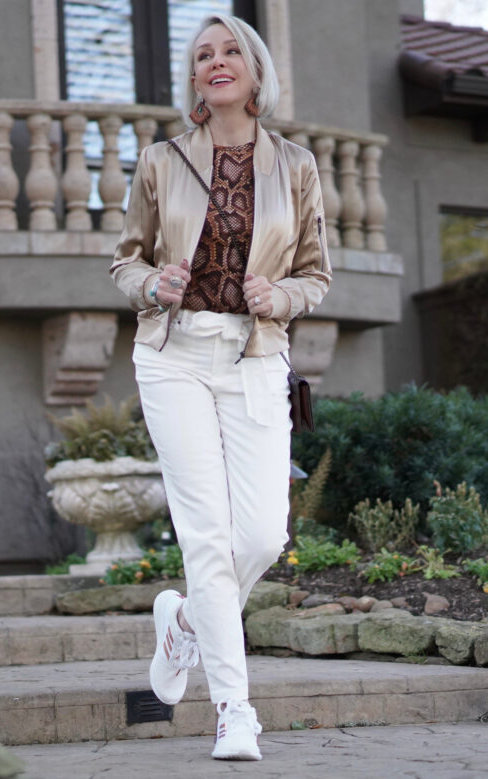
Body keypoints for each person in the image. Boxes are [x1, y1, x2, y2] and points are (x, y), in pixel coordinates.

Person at [109, 12, 331, 762]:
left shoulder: (295, 164)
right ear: (195, 80)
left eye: (231, 48)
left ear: (256, 69)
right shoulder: (162, 160)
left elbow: (317, 274)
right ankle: (236, 710)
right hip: (172, 357)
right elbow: (124, 264)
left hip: (254, 357)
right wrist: (155, 282)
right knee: (206, 538)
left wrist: (282, 297)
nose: (216, 61)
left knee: (264, 533)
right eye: (203, 54)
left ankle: (182, 629)